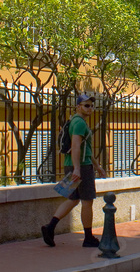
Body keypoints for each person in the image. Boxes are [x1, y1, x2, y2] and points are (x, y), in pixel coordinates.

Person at [41, 94, 106, 248]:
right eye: (86, 105)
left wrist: (97, 166)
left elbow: (85, 149)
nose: (90, 108)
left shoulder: (74, 121)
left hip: (72, 165)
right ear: (78, 106)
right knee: (87, 201)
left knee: (72, 199)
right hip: (81, 167)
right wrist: (78, 168)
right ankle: (88, 238)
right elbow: (76, 146)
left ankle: (50, 228)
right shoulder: (79, 124)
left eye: (91, 106)